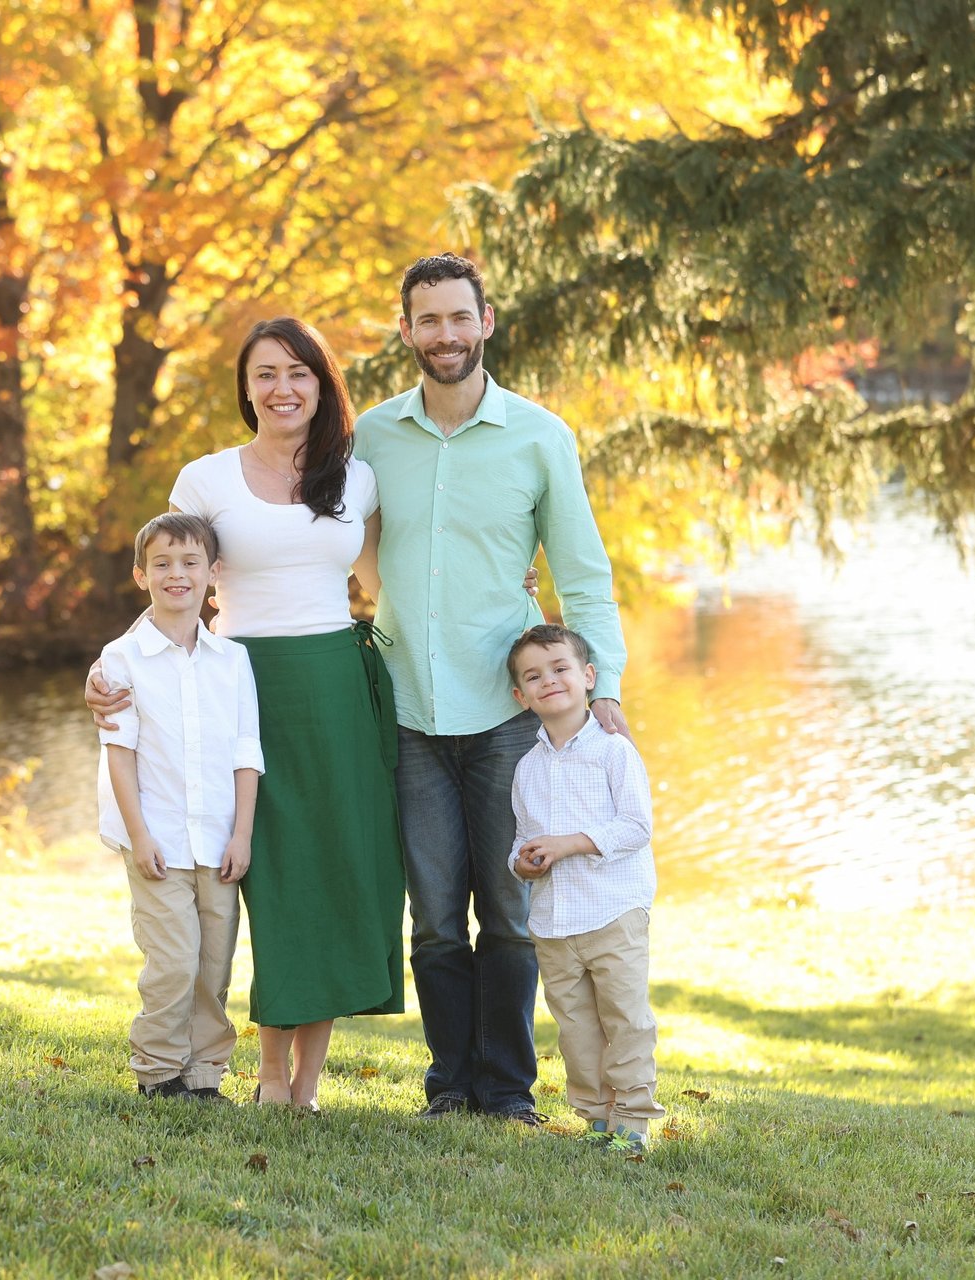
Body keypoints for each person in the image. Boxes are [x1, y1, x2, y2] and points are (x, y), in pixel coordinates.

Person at [95, 317, 407, 1111]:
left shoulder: (357, 479)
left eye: (299, 372)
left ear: (321, 384)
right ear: (246, 388)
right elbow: (174, 585)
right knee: (268, 881)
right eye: (265, 373)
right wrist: (108, 670)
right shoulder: (205, 480)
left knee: (334, 873)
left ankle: (304, 1084)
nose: (283, 388)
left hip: (336, 683)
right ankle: (257, 1073)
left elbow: (380, 584)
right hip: (237, 680)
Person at [355, 253, 629, 1123]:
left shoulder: (540, 436)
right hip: (406, 711)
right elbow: (335, 539)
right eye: (426, 320)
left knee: (510, 912)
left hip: (510, 715)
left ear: (487, 321)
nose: (444, 335)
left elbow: (583, 577)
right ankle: (449, 1086)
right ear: (406, 331)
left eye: (457, 318)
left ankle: (507, 1088)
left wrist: (606, 684)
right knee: (435, 916)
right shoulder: (371, 435)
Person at [98, 512, 263, 1103]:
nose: (177, 574)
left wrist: (242, 834)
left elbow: (248, 751)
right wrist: (138, 836)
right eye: (162, 564)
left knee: (213, 961)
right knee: (171, 959)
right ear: (140, 575)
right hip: (158, 837)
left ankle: (203, 1076)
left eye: (190, 563)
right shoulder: (121, 660)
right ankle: (159, 1072)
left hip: (219, 837)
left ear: (212, 574)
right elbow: (120, 755)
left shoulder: (232, 660)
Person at [505, 624, 662, 1152]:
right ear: (520, 696)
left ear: (588, 676)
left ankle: (633, 1122)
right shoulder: (526, 768)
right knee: (575, 1029)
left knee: (625, 1018)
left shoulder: (614, 752)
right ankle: (595, 1119)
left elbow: (637, 827)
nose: (549, 680)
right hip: (554, 922)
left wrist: (569, 843)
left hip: (614, 911)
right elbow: (526, 839)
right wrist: (522, 864)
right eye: (534, 676)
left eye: (560, 668)